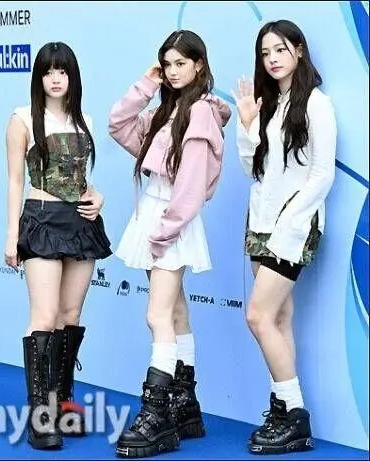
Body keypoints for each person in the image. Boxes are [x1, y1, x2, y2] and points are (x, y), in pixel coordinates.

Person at [109, 30, 231, 458]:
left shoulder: (200, 113)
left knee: (157, 314)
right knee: (175, 311)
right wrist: (148, 82)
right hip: (156, 214)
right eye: (168, 64)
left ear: (199, 65)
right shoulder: (167, 109)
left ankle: (157, 411)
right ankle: (185, 404)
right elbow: (118, 124)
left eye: (181, 63)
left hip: (170, 220)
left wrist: (164, 231)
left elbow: (191, 186)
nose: (174, 71)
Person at [232, 19, 336, 455]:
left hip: (291, 227)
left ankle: (295, 415)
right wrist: (246, 125)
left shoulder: (316, 104)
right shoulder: (271, 104)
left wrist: (289, 224)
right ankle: (282, 409)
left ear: (298, 49)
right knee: (278, 318)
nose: (272, 59)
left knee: (258, 316)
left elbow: (322, 174)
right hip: (259, 221)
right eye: (265, 53)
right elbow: (251, 169)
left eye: (279, 49)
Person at [4, 41, 112, 450]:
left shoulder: (84, 118)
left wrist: (97, 196)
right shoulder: (21, 119)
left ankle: (63, 402)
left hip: (81, 222)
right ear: (39, 77)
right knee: (45, 315)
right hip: (42, 220)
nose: (55, 78)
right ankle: (40, 414)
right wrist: (11, 235)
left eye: (62, 71)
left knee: (70, 315)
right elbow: (15, 180)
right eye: (48, 71)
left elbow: (80, 178)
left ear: (72, 77)